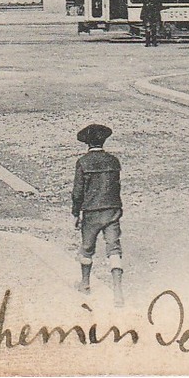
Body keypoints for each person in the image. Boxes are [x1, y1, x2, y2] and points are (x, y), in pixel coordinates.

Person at [72, 123, 124, 305]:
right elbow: (116, 186)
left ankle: (85, 284)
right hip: (112, 210)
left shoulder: (83, 162)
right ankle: (117, 292)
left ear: (87, 143)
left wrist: (76, 213)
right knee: (114, 249)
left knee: (87, 248)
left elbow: (78, 192)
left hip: (92, 212)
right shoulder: (113, 161)